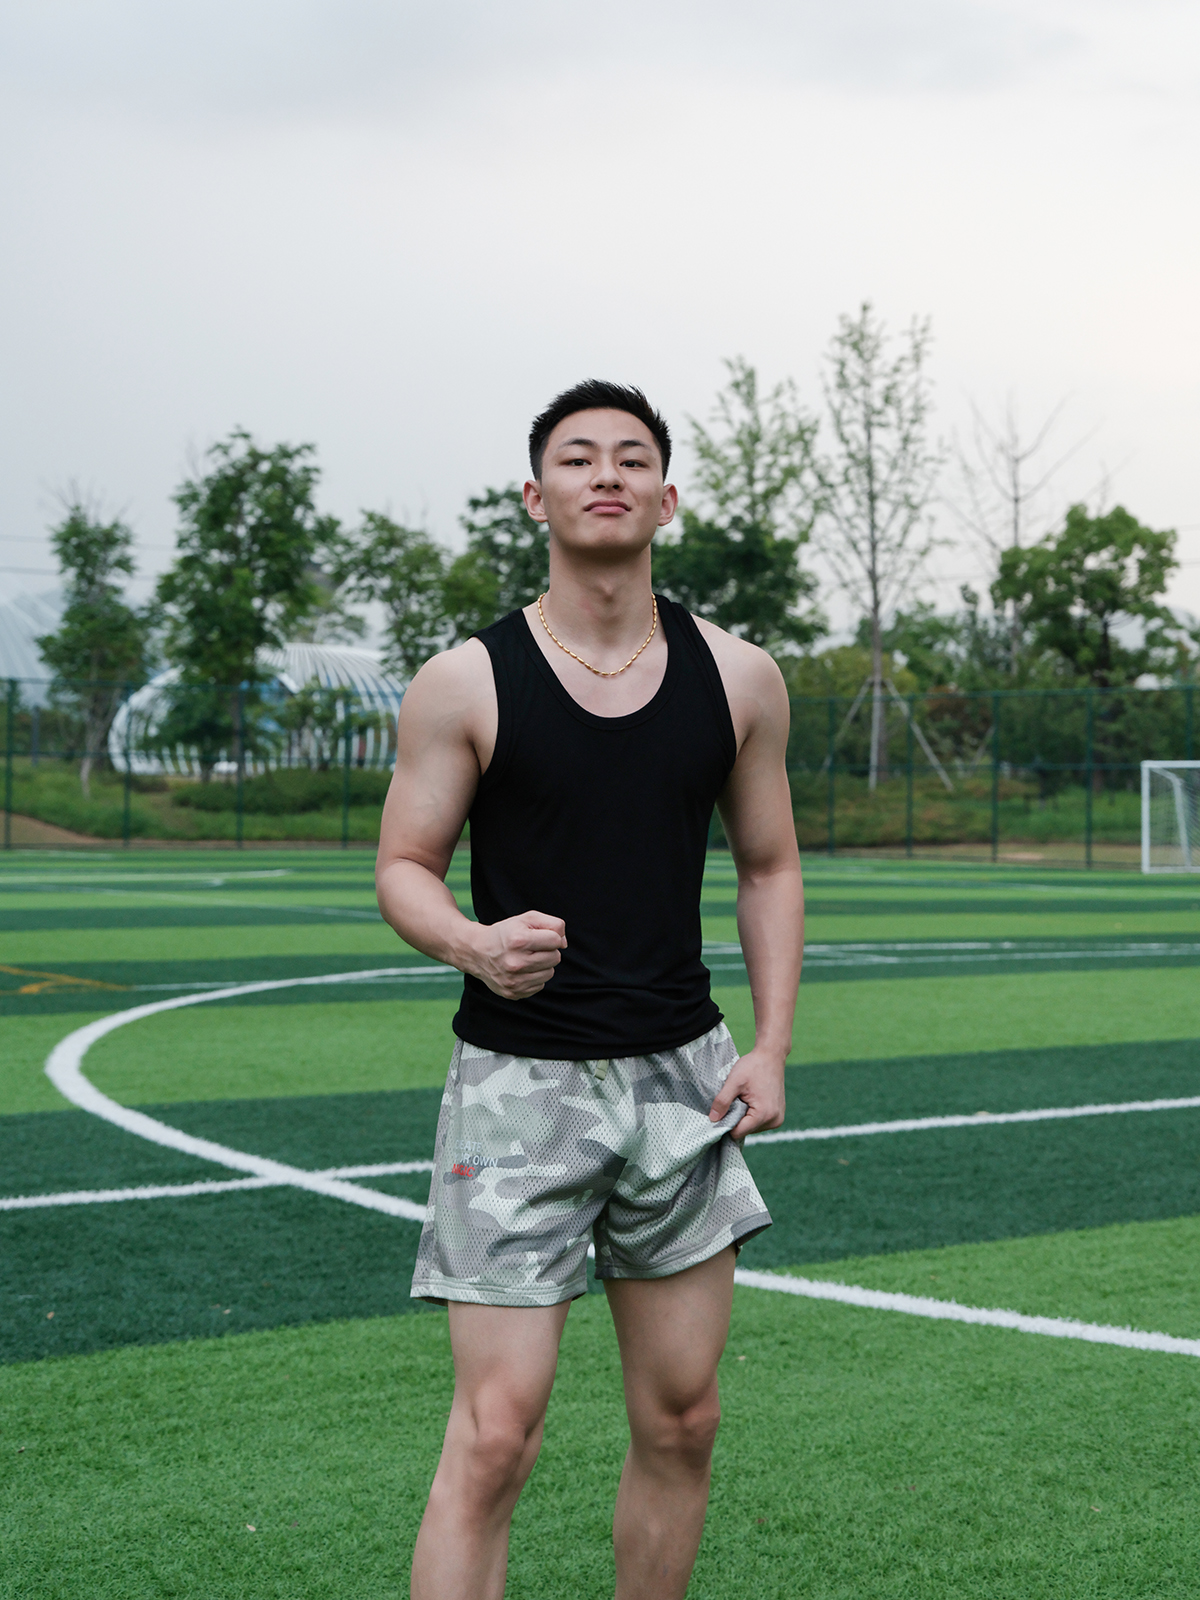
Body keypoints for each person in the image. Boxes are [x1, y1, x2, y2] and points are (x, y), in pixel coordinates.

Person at [375, 379, 804, 1600]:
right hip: (519, 1087)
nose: (605, 473)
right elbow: (403, 866)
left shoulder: (740, 678)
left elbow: (769, 867)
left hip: (685, 1082)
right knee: (495, 1436)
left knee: (684, 1418)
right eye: (577, 457)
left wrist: (771, 1043)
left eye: (631, 457)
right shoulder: (464, 681)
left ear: (666, 498)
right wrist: (472, 943)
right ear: (535, 496)